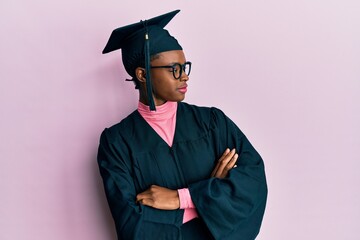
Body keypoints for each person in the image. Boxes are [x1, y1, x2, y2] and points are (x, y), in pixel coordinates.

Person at [97, 10, 267, 240]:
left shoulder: (214, 123)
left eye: (184, 67)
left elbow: (253, 184)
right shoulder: (117, 142)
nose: (184, 77)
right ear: (142, 74)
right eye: (173, 69)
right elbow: (131, 225)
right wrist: (213, 197)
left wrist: (181, 198)